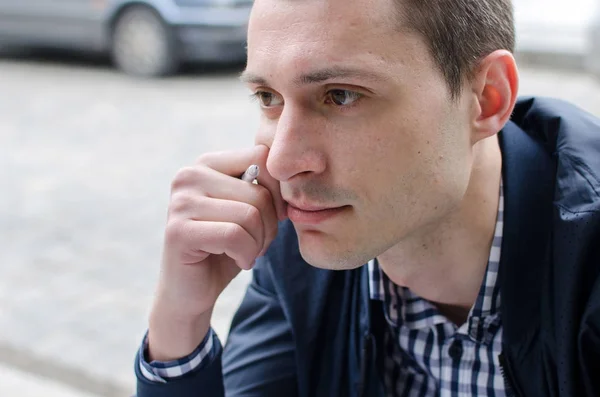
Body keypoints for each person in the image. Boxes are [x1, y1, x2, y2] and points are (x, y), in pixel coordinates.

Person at [134, 0, 600, 395]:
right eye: (267, 96)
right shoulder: (303, 244)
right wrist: (179, 321)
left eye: (340, 96)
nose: (280, 163)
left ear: (488, 98)